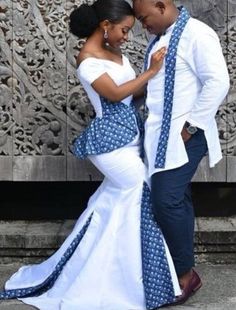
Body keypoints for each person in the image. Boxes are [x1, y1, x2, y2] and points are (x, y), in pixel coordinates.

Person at [0, 0, 181, 309]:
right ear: (105, 26)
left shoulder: (116, 53)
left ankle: (107, 272)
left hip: (129, 137)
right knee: (139, 191)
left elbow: (132, 92)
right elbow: (115, 93)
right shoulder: (87, 60)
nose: (127, 37)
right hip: (109, 145)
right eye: (124, 30)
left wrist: (162, 82)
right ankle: (124, 280)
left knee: (113, 205)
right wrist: (152, 71)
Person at [132, 0, 230, 305]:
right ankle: (180, 269)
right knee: (177, 199)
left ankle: (186, 275)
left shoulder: (197, 34)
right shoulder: (159, 39)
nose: (141, 25)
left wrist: (190, 128)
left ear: (161, 6)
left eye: (144, 18)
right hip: (162, 136)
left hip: (185, 135)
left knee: (166, 201)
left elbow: (218, 82)